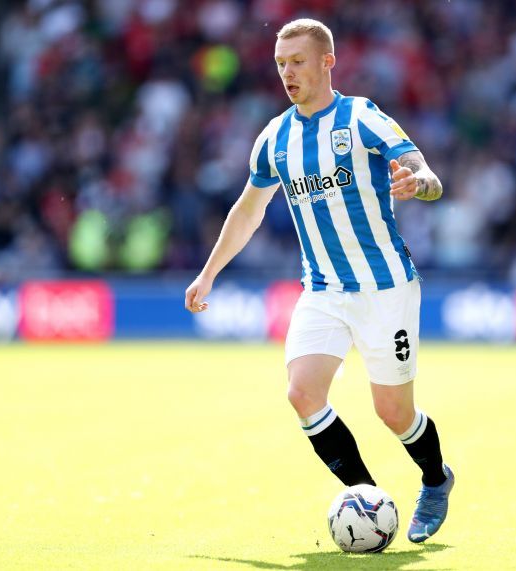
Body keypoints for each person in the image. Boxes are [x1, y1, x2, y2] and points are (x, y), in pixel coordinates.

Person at [184, 18, 453, 543]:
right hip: (324, 290)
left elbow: (430, 178)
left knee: (392, 411)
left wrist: (416, 182)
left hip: (385, 287)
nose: (288, 72)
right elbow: (247, 211)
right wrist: (209, 272)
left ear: (327, 62)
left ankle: (436, 479)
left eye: (298, 61)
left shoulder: (362, 118)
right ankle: (368, 501)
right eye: (281, 63)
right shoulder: (274, 137)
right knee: (302, 393)